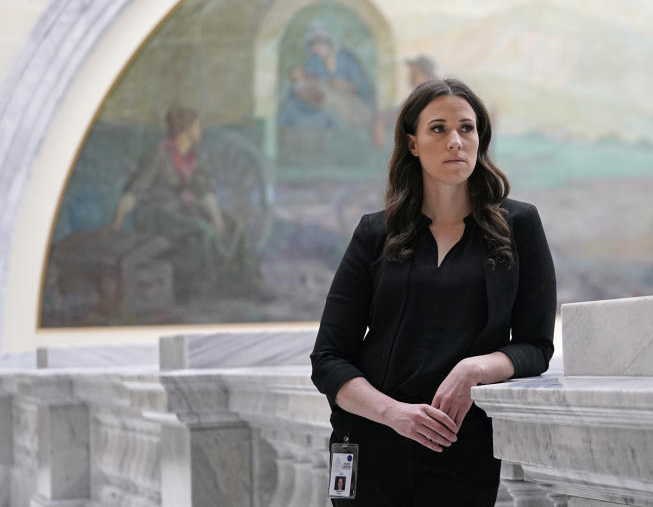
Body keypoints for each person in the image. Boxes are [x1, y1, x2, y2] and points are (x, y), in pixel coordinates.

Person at [310, 79, 556, 506]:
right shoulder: (375, 232)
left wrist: (472, 369)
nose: (456, 142)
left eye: (467, 128)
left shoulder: (520, 225)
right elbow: (329, 360)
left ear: (481, 138)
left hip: (461, 445)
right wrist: (393, 414)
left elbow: (536, 346)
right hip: (371, 444)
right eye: (438, 129)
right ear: (413, 144)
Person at [105, 106, 258, 299]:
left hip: (179, 210)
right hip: (155, 214)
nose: (200, 131)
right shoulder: (159, 155)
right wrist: (117, 221)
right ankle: (210, 285)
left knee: (234, 224)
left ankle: (248, 279)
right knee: (203, 230)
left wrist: (218, 218)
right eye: (196, 126)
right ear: (186, 129)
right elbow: (134, 191)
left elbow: (204, 191)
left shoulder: (192, 159)